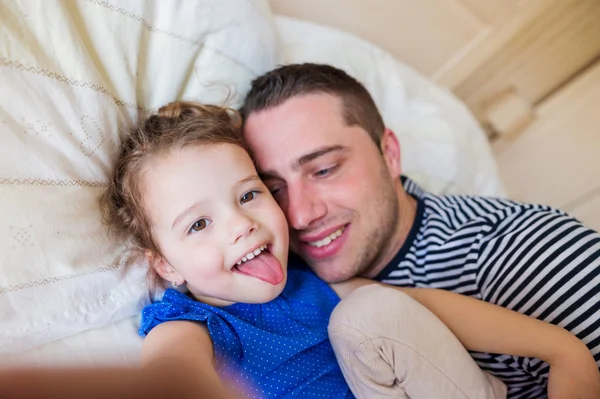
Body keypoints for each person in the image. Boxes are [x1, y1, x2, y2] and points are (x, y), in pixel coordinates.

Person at [0, 100, 597, 399]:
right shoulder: (192, 324)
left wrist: (562, 350)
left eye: (249, 194)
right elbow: (172, 375)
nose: (240, 225)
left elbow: (426, 306)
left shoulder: (312, 286)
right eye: (198, 225)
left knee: (371, 310)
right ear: (165, 265)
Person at [240, 62, 600, 398]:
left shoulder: (518, 252)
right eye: (273, 190)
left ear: (390, 154)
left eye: (324, 170)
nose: (300, 215)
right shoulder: (272, 284)